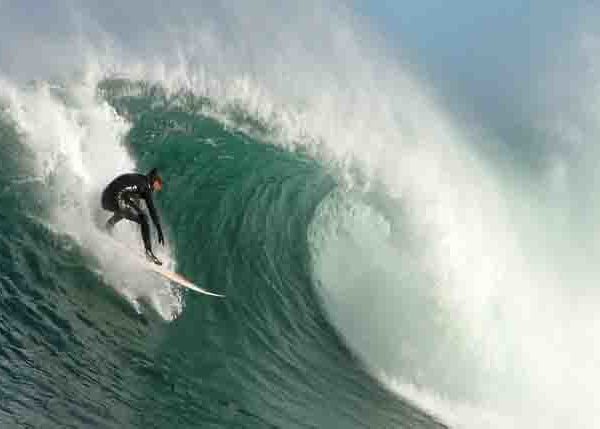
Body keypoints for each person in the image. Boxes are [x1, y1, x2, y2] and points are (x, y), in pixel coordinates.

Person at [101, 168, 165, 265]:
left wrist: (137, 209)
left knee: (129, 207)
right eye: (157, 188)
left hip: (105, 198)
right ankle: (148, 252)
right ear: (155, 182)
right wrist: (159, 230)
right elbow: (152, 211)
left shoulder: (139, 178)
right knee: (144, 219)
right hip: (115, 198)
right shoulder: (146, 188)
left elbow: (125, 193)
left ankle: (108, 226)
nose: (155, 191)